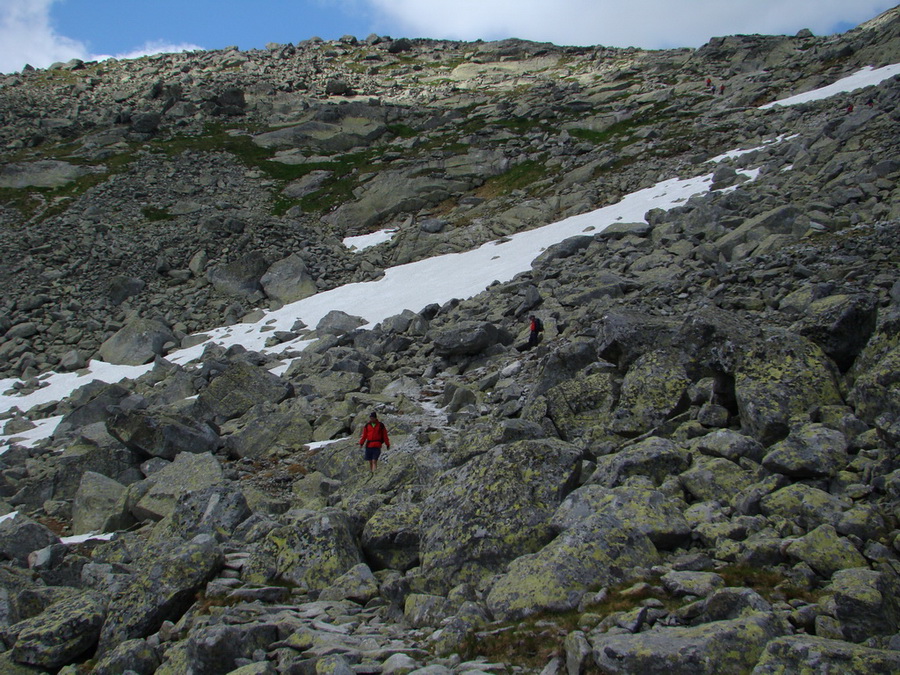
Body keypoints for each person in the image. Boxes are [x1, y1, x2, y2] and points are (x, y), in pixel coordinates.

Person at [359, 411, 390, 476]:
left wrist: (387, 444)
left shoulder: (381, 425)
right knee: (370, 461)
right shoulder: (367, 425)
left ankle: (374, 474)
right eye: (370, 418)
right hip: (369, 445)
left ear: (375, 418)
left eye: (372, 418)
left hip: (377, 445)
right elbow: (364, 435)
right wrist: (361, 443)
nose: (371, 419)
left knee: (374, 460)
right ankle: (371, 474)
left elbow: (385, 435)